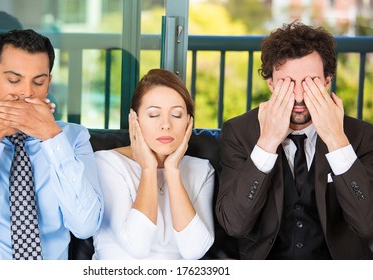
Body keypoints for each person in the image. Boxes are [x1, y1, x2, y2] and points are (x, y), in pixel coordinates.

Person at [0, 29, 103, 259]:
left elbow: (85, 225)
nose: (27, 93)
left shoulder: (74, 138)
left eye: (38, 82)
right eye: (14, 80)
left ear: (49, 83)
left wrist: (52, 137)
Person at [216, 20, 373, 260]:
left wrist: (336, 139)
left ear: (327, 81)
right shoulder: (239, 132)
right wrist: (267, 143)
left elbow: (367, 224)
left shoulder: (362, 135)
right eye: (286, 83)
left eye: (310, 82)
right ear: (270, 84)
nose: (299, 95)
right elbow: (235, 225)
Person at [92, 69, 215, 259]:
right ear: (135, 119)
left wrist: (172, 171)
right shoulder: (107, 163)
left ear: (188, 123)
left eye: (176, 115)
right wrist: (148, 169)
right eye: (153, 115)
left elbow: (194, 251)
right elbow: (137, 245)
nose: (166, 124)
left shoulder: (202, 170)